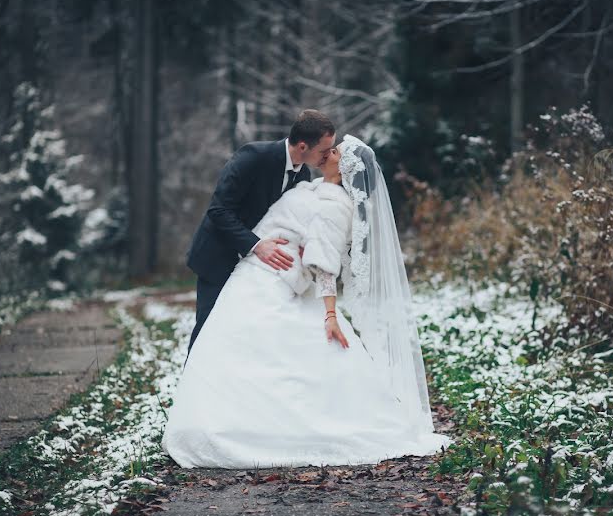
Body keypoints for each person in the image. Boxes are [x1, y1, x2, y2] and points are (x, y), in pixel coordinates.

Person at [162, 134, 452, 469]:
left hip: (277, 281)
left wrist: (330, 313)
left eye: (336, 151)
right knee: (223, 348)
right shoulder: (309, 184)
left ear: (344, 170)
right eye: (329, 148)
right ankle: (204, 423)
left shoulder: (336, 204)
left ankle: (256, 431)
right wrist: (261, 243)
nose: (329, 152)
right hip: (253, 273)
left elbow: (324, 263)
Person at [184, 109, 336, 354]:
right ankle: (191, 389)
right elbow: (219, 210)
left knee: (241, 333)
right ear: (303, 146)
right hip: (219, 256)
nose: (328, 156)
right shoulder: (253, 156)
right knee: (209, 329)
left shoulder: (304, 175)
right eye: (324, 150)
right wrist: (256, 244)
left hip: (260, 272)